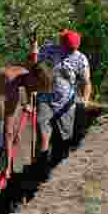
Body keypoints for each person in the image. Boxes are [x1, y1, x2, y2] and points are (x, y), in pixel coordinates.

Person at [0, 61, 55, 187]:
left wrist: (29, 103)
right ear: (33, 78)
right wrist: (9, 165)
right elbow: (8, 131)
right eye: (38, 87)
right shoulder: (12, 87)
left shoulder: (25, 74)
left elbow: (30, 89)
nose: (37, 91)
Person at [28, 29, 92, 176]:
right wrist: (34, 47)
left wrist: (85, 102)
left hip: (65, 104)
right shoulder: (49, 50)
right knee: (43, 133)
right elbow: (34, 63)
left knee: (64, 139)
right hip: (45, 99)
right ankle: (41, 170)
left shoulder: (80, 59)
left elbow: (87, 82)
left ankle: (56, 171)